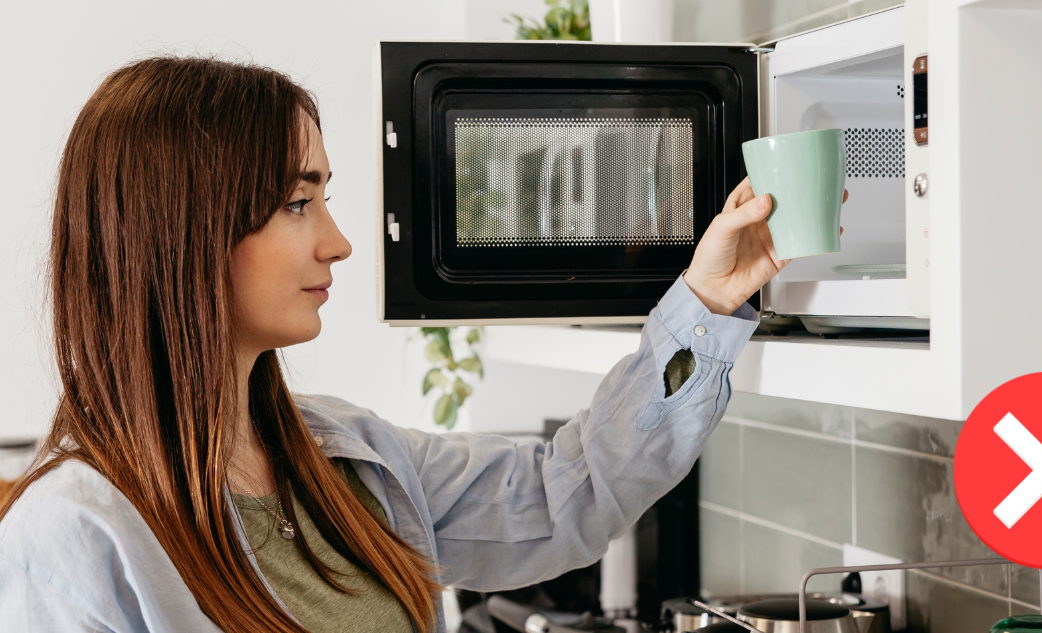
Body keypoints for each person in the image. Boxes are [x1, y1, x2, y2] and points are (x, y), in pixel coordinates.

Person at [0, 56, 787, 633]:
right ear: (185, 233)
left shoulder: (350, 459)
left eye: (324, 198)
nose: (339, 241)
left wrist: (707, 300)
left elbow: (565, 494)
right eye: (299, 201)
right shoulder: (71, 533)